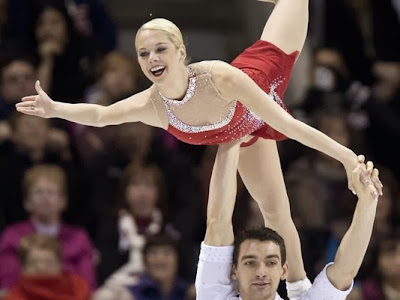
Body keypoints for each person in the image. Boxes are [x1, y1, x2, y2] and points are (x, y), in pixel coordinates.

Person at [16, 0, 383, 283]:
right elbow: (100, 115)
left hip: (265, 75)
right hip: (247, 132)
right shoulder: (151, 105)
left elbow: (289, 124)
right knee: (275, 212)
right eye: (144, 53)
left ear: (181, 53)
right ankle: (301, 288)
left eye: (160, 49)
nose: (152, 59)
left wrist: (347, 157)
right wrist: (54, 108)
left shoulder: (219, 77)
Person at [195, 141, 380, 299]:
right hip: (297, 285)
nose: (261, 272)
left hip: (296, 283)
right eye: (250, 262)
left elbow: (218, 222)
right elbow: (345, 271)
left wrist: (231, 137)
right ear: (234, 270)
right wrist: (368, 200)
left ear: (283, 270)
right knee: (277, 216)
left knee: (277, 216)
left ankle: (244, 122)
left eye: (271, 263)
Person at [0, 164, 96, 291]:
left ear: (63, 201)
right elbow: (8, 282)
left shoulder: (79, 237)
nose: (45, 198)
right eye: (38, 192)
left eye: (51, 192)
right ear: (27, 202)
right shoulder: (12, 236)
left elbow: (87, 284)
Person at [2, 233, 90, 300]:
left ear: (60, 264)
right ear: (23, 268)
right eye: (34, 263)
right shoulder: (13, 297)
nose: (42, 267)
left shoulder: (79, 287)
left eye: (48, 262)